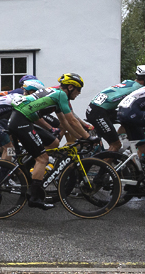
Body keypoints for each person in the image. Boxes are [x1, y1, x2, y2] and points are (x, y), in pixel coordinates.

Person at [6, 73, 90, 210]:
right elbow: (72, 120)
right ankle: (35, 198)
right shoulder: (61, 95)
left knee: (53, 143)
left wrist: (80, 137)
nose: (79, 93)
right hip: (21, 121)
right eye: (78, 89)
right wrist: (88, 137)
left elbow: (64, 123)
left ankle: (31, 176)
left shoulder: (56, 94)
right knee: (42, 158)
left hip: (21, 119)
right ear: (70, 87)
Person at [85, 65, 145, 151]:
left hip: (98, 108)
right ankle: (102, 163)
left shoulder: (129, 82)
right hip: (98, 112)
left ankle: (119, 138)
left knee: (127, 119)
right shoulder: (139, 89)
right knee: (116, 145)